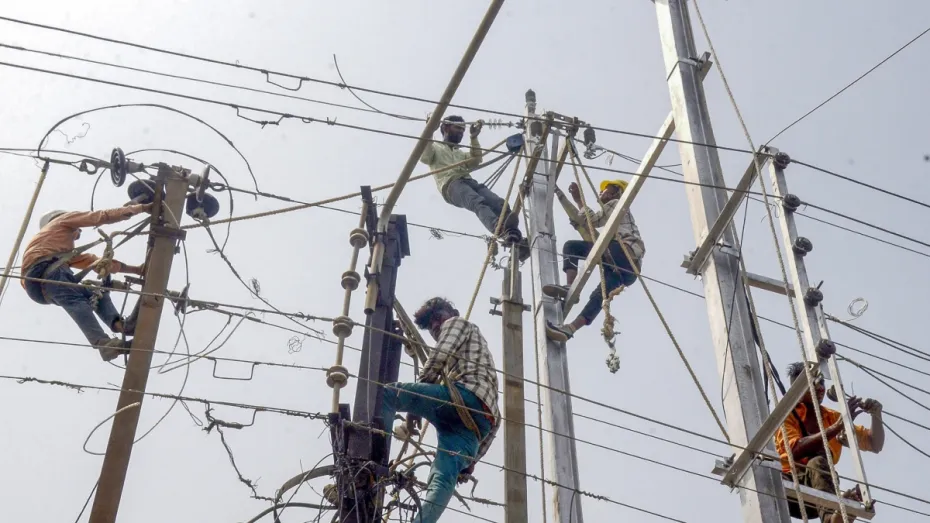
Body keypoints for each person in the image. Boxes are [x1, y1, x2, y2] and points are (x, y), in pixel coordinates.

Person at [381, 297, 500, 523]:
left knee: (387, 394)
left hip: (464, 399)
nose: (435, 325)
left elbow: (438, 356)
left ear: (452, 313)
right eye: (430, 325)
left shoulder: (456, 323)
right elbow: (496, 420)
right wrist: (471, 461)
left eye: (437, 317)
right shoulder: (478, 367)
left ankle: (375, 458)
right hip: (476, 425)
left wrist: (413, 408)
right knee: (442, 481)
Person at [21, 205, 152, 361]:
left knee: (97, 294)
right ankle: (104, 344)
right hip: (45, 271)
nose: (78, 235)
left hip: (40, 287)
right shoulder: (61, 221)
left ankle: (121, 326)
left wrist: (136, 270)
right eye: (78, 232)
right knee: (76, 301)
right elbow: (100, 216)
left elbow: (97, 262)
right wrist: (142, 208)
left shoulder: (57, 247)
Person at [775, 362, 885, 522]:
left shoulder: (831, 417)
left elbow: (874, 444)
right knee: (817, 461)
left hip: (820, 490)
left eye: (822, 382)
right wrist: (836, 428)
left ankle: (840, 511)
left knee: (821, 465)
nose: (820, 388)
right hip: (789, 485)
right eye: (814, 382)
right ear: (798, 387)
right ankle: (831, 518)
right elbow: (795, 450)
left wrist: (876, 415)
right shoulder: (787, 414)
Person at [544, 179, 645, 342]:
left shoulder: (616, 203)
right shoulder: (617, 214)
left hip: (622, 252)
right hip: (629, 269)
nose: (601, 192)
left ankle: (570, 287)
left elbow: (593, 220)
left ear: (617, 192)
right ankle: (570, 329)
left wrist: (578, 200)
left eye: (606, 189)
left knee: (571, 247)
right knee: (599, 296)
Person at [420, 115, 528, 259]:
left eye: (463, 130)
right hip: (451, 185)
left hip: (468, 181)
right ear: (445, 128)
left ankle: (515, 238)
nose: (461, 132)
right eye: (457, 128)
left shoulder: (459, 153)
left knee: (499, 204)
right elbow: (425, 157)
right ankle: (499, 229)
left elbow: (476, 160)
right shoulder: (435, 147)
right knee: (477, 202)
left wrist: (473, 138)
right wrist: (429, 132)